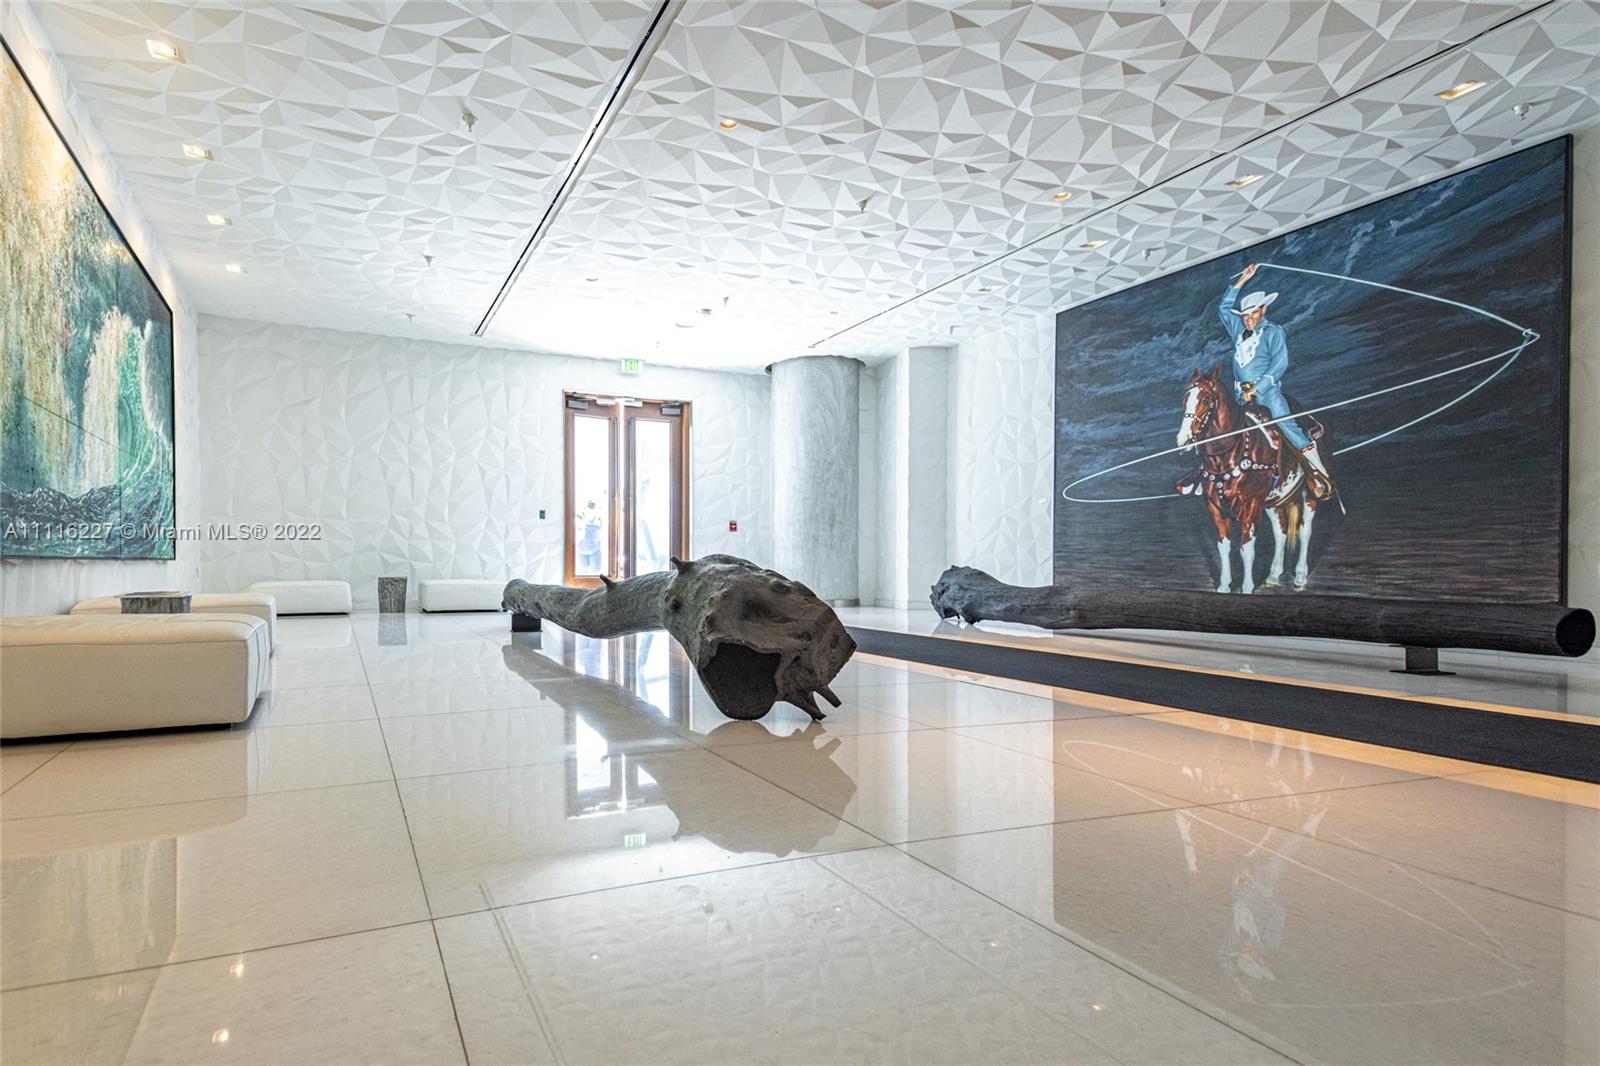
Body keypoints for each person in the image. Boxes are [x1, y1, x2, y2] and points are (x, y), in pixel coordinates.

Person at [1218, 263, 1334, 500]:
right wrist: (1243, 279)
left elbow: (1279, 365)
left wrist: (1257, 388)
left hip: (1267, 393)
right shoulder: (1238, 328)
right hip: (1241, 395)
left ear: (1263, 310)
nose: (1248, 319)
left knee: (1285, 424)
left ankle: (1319, 474)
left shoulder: (1273, 332)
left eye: (1253, 314)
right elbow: (1223, 307)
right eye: (1245, 315)